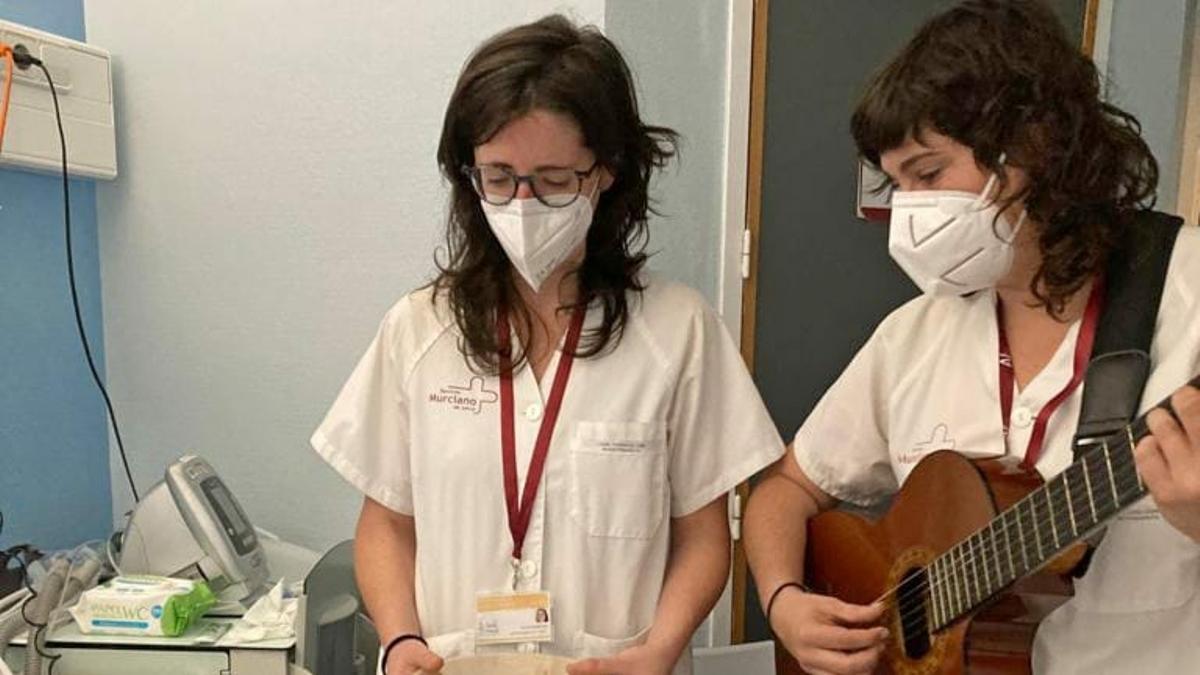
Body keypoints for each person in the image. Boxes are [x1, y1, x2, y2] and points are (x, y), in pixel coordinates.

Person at [311, 14, 784, 675]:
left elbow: (703, 533)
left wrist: (660, 650)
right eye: (498, 178)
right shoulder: (419, 329)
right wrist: (399, 639)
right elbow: (387, 521)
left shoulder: (678, 331)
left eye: (555, 178)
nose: (523, 203)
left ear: (607, 172)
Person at [744, 1, 1200, 674]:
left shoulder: (1186, 294)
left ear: (1035, 145)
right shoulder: (914, 333)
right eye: (895, 185)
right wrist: (784, 599)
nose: (909, 211)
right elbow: (785, 487)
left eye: (928, 174)